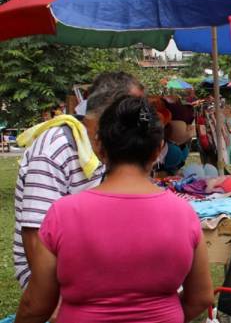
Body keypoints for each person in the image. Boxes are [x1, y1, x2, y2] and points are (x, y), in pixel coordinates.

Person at [16, 96, 214, 323]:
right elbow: (201, 297)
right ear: (158, 150)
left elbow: (35, 305)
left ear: (99, 147)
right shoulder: (183, 214)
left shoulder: (63, 214)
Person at [12, 71, 143, 292]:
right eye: (137, 110)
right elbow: (35, 236)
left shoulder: (106, 145)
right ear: (113, 110)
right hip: (48, 267)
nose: (143, 118)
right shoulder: (56, 148)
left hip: (88, 253)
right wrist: (50, 300)